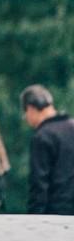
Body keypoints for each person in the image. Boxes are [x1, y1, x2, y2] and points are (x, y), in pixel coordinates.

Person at [21, 84, 74, 215]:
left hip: (57, 212)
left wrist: (34, 216)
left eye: (25, 113)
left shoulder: (42, 136)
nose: (26, 118)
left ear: (30, 108)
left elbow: (39, 184)